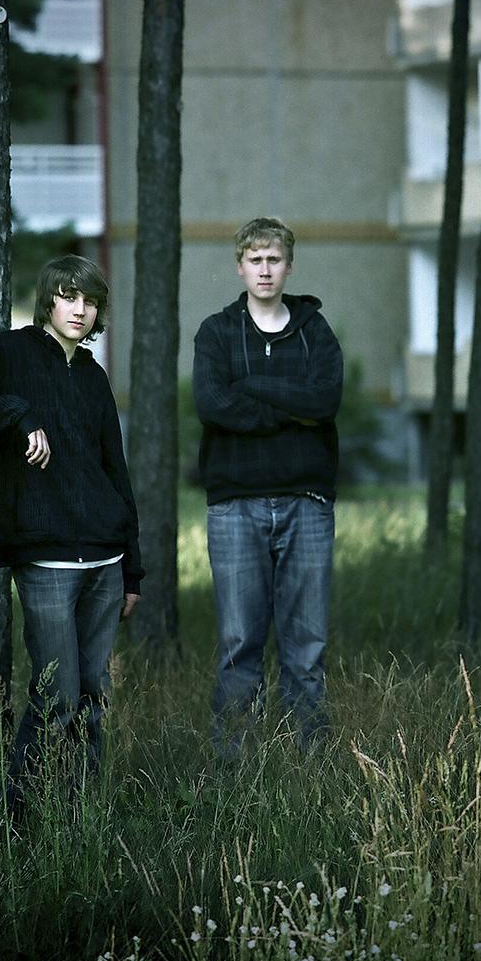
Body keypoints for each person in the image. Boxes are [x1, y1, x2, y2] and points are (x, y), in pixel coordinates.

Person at [0, 254, 141, 796]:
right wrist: (22, 417)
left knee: (93, 697)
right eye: (69, 297)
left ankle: (80, 812)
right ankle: (20, 814)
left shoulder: (94, 376)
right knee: (57, 699)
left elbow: (116, 472)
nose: (80, 309)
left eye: (90, 301)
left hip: (105, 561)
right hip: (46, 558)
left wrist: (133, 569)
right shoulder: (9, 353)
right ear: (48, 300)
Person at [192, 216, 345, 756]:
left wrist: (252, 386)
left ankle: (309, 763)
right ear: (240, 267)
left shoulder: (314, 332)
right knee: (240, 643)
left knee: (307, 645)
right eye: (255, 260)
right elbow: (212, 404)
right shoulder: (216, 332)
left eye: (273, 259)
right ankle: (234, 765)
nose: (264, 269)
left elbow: (325, 401)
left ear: (289, 266)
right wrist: (290, 410)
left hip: (307, 503)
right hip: (235, 505)